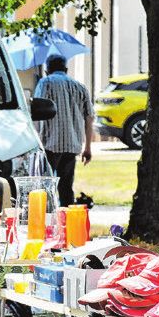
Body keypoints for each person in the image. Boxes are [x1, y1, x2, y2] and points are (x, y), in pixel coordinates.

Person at [33, 55, 93, 208]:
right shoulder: (79, 87)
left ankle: (47, 220)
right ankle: (67, 222)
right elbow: (89, 118)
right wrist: (87, 148)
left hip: (50, 144)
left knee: (44, 187)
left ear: (47, 70)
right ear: (66, 69)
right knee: (66, 188)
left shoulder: (45, 83)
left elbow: (36, 112)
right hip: (72, 145)